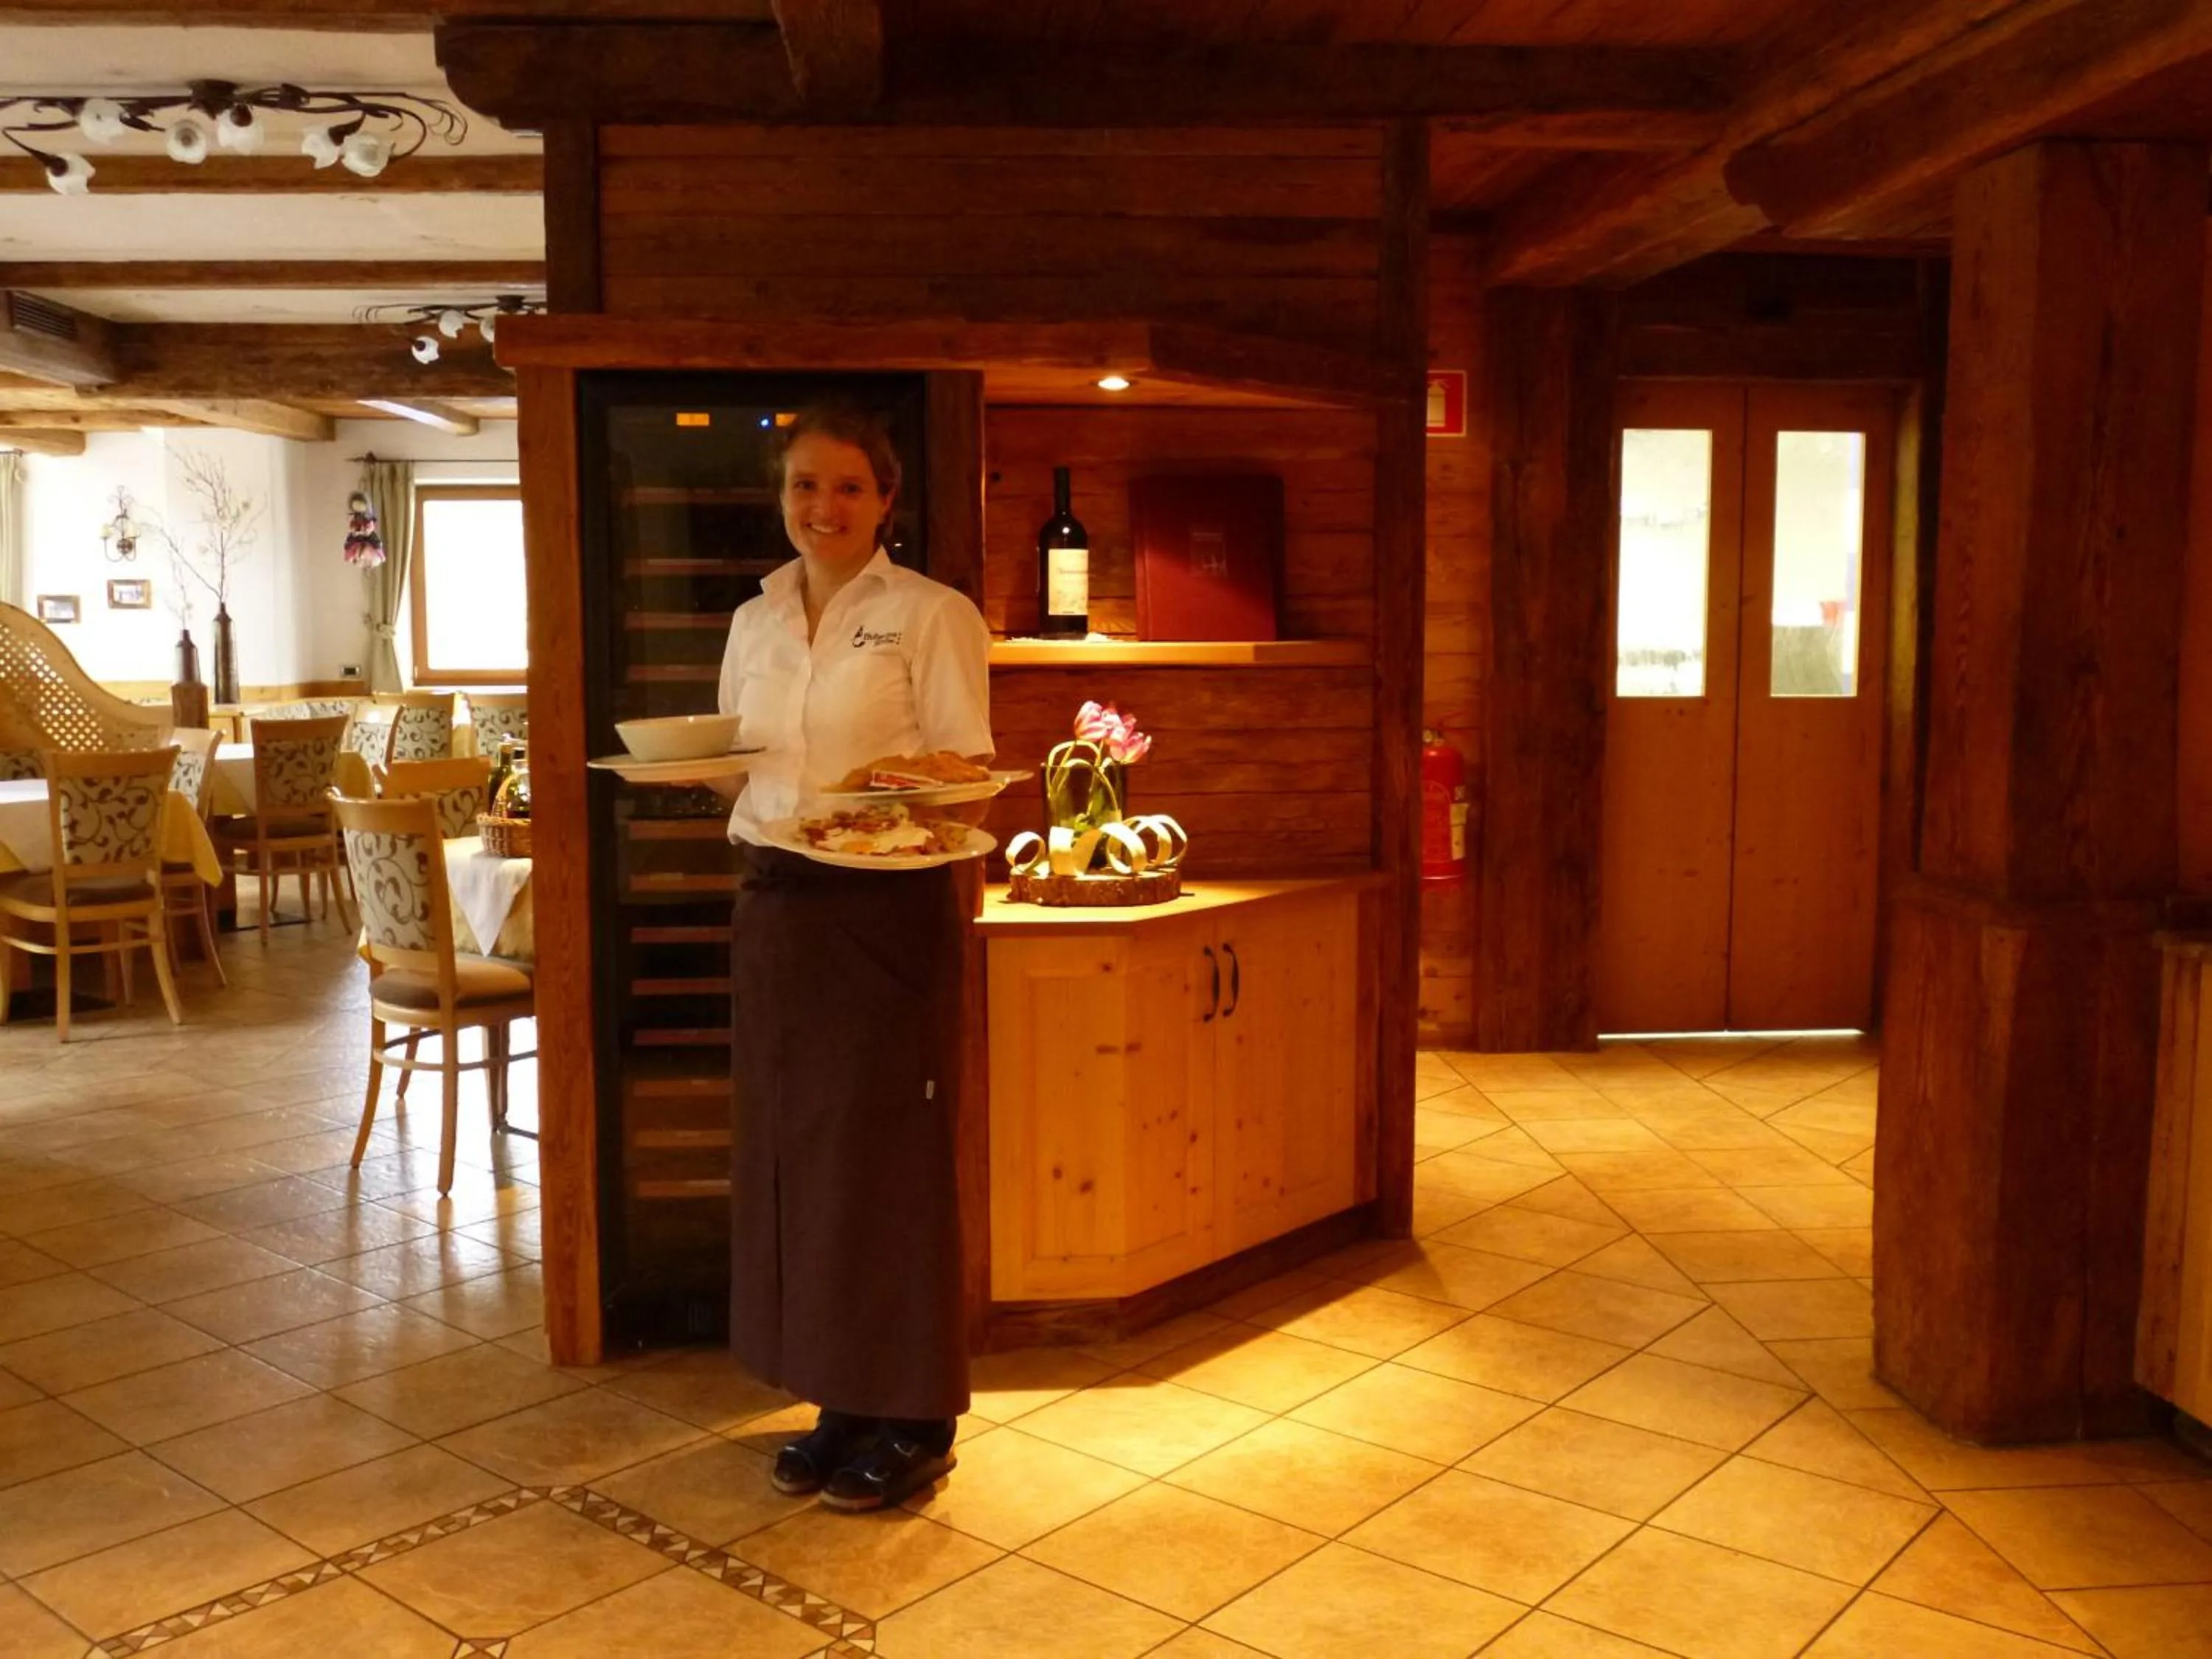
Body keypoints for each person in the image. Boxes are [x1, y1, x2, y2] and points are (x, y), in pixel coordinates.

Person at [716, 403, 992, 1512]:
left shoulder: (931, 614)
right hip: (777, 904)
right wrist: (705, 775)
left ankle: (916, 1413)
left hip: (886, 907)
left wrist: (905, 779)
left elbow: (969, 761)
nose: (819, 508)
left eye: (844, 487)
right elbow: (742, 757)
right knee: (797, 1157)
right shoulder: (757, 618)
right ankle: (838, 1399)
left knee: (888, 1160)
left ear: (886, 501)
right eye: (800, 486)